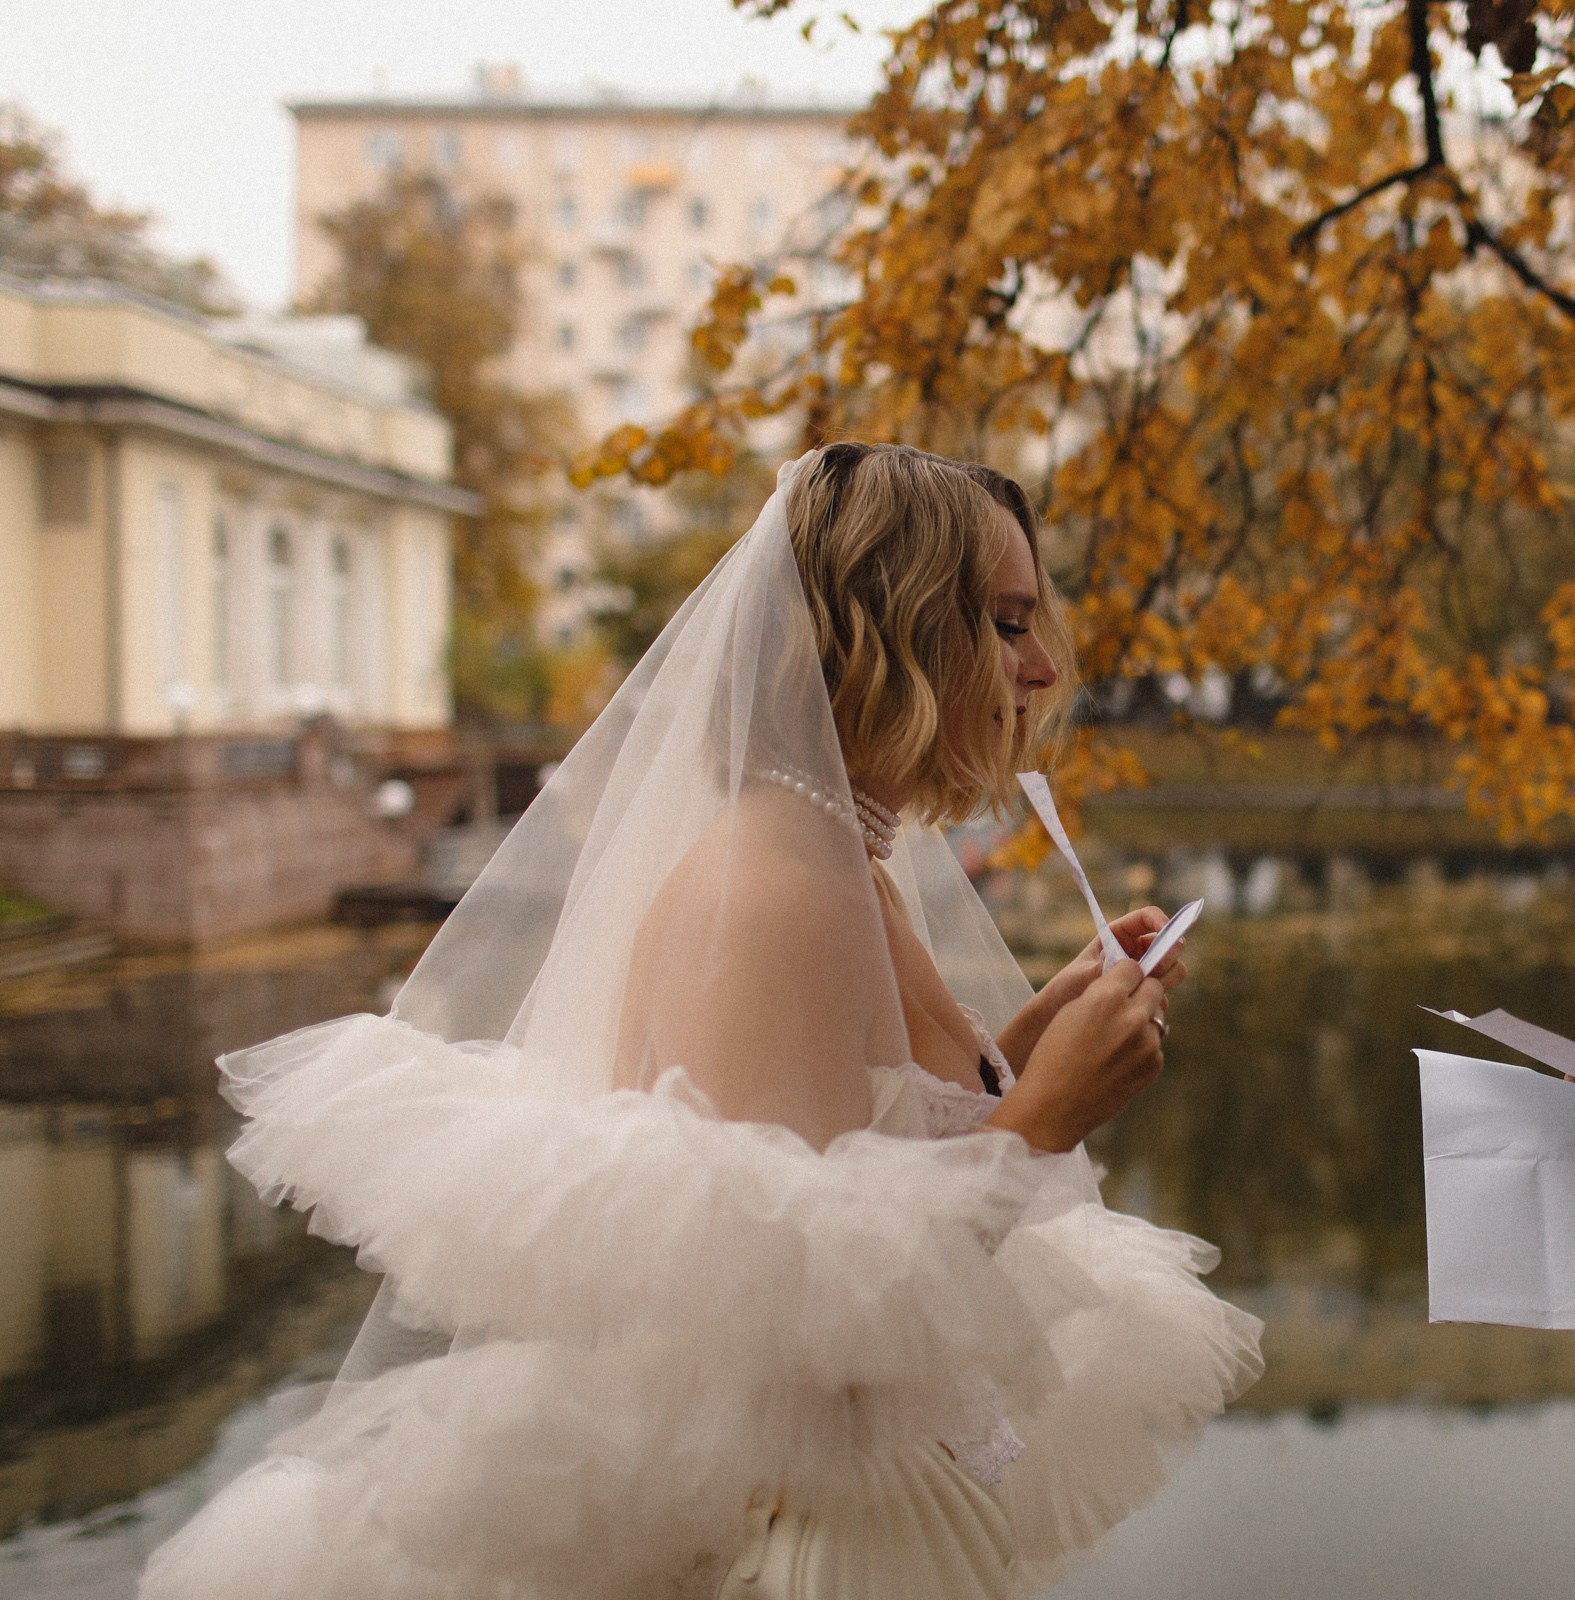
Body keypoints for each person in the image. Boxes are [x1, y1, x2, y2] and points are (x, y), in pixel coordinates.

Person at [140, 443, 1263, 1600]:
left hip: (887, 1484)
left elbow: (860, 1147)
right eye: (1006, 621)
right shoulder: (770, 885)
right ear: (894, 630)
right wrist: (1044, 1117)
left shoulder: (847, 857)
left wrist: (1044, 1026)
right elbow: (800, 1330)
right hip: (812, 1533)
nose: (1038, 667)